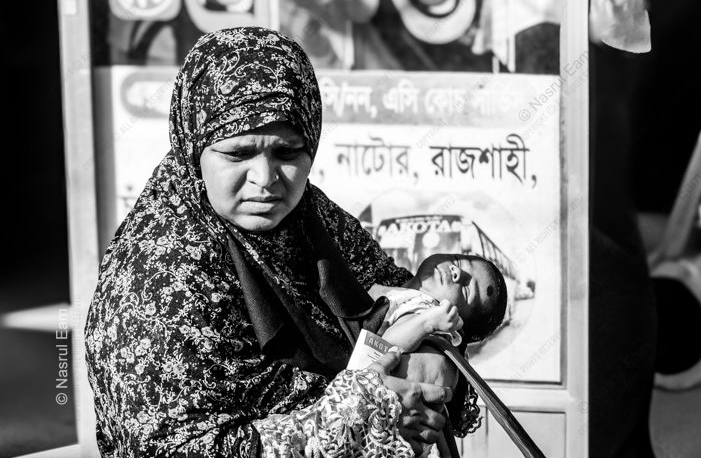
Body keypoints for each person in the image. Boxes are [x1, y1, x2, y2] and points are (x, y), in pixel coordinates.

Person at [84, 27, 477, 458]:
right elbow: (179, 449)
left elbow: (397, 292)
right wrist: (369, 412)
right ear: (193, 147)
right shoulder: (156, 279)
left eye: (288, 153)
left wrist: (435, 368)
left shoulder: (309, 217)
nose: (265, 179)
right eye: (237, 154)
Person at [372, 253, 508, 353]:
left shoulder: (425, 309)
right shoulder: (405, 292)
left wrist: (427, 323)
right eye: (458, 261)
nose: (457, 272)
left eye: (466, 290)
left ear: (455, 324)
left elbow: (389, 343)